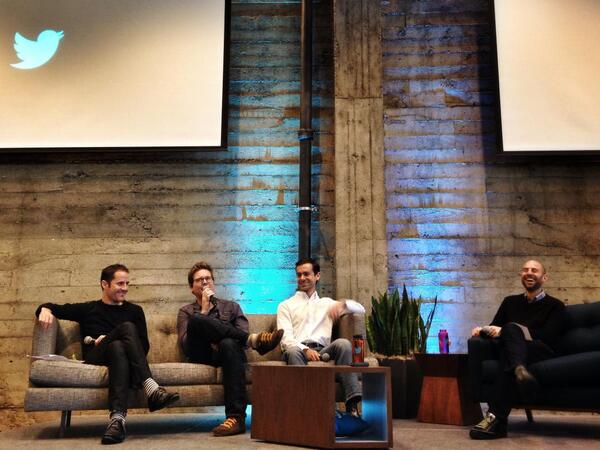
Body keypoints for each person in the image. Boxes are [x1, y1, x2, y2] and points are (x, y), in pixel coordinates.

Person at [35, 264, 180, 445]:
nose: (125, 288)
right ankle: (151, 389)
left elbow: (143, 347)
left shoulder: (135, 311)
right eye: (120, 283)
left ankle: (117, 420)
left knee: (117, 346)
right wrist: (45, 309)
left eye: (127, 283)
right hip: (96, 357)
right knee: (126, 328)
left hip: (121, 358)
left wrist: (115, 340)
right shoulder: (89, 309)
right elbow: (55, 308)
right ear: (105, 284)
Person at [177, 261, 284, 436]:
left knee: (228, 343)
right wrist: (204, 310)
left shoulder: (231, 307)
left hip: (228, 355)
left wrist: (223, 337)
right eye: (199, 280)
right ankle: (255, 341)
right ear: (191, 287)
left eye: (208, 278)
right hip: (202, 354)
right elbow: (185, 344)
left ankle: (236, 419)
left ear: (213, 283)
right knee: (197, 320)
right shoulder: (186, 311)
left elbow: (239, 340)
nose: (205, 282)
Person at [469, 259, 565, 440]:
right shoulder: (510, 302)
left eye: (534, 270)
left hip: (540, 349)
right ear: (521, 275)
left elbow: (548, 336)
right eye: (525, 269)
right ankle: (518, 369)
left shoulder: (556, 305)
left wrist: (512, 330)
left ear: (544, 278)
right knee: (509, 346)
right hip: (514, 350)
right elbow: (494, 326)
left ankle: (495, 420)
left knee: (510, 333)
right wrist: (482, 330)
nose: (529, 273)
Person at [276, 258, 365, 416]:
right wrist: (305, 350)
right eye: (299, 275)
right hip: (297, 351)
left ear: (317, 276)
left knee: (344, 344)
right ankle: (307, 407)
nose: (302, 278)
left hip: (324, 351)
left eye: (306, 274)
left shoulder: (327, 303)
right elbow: (285, 338)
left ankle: (352, 404)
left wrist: (343, 304)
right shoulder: (285, 305)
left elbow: (361, 309)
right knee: (292, 351)